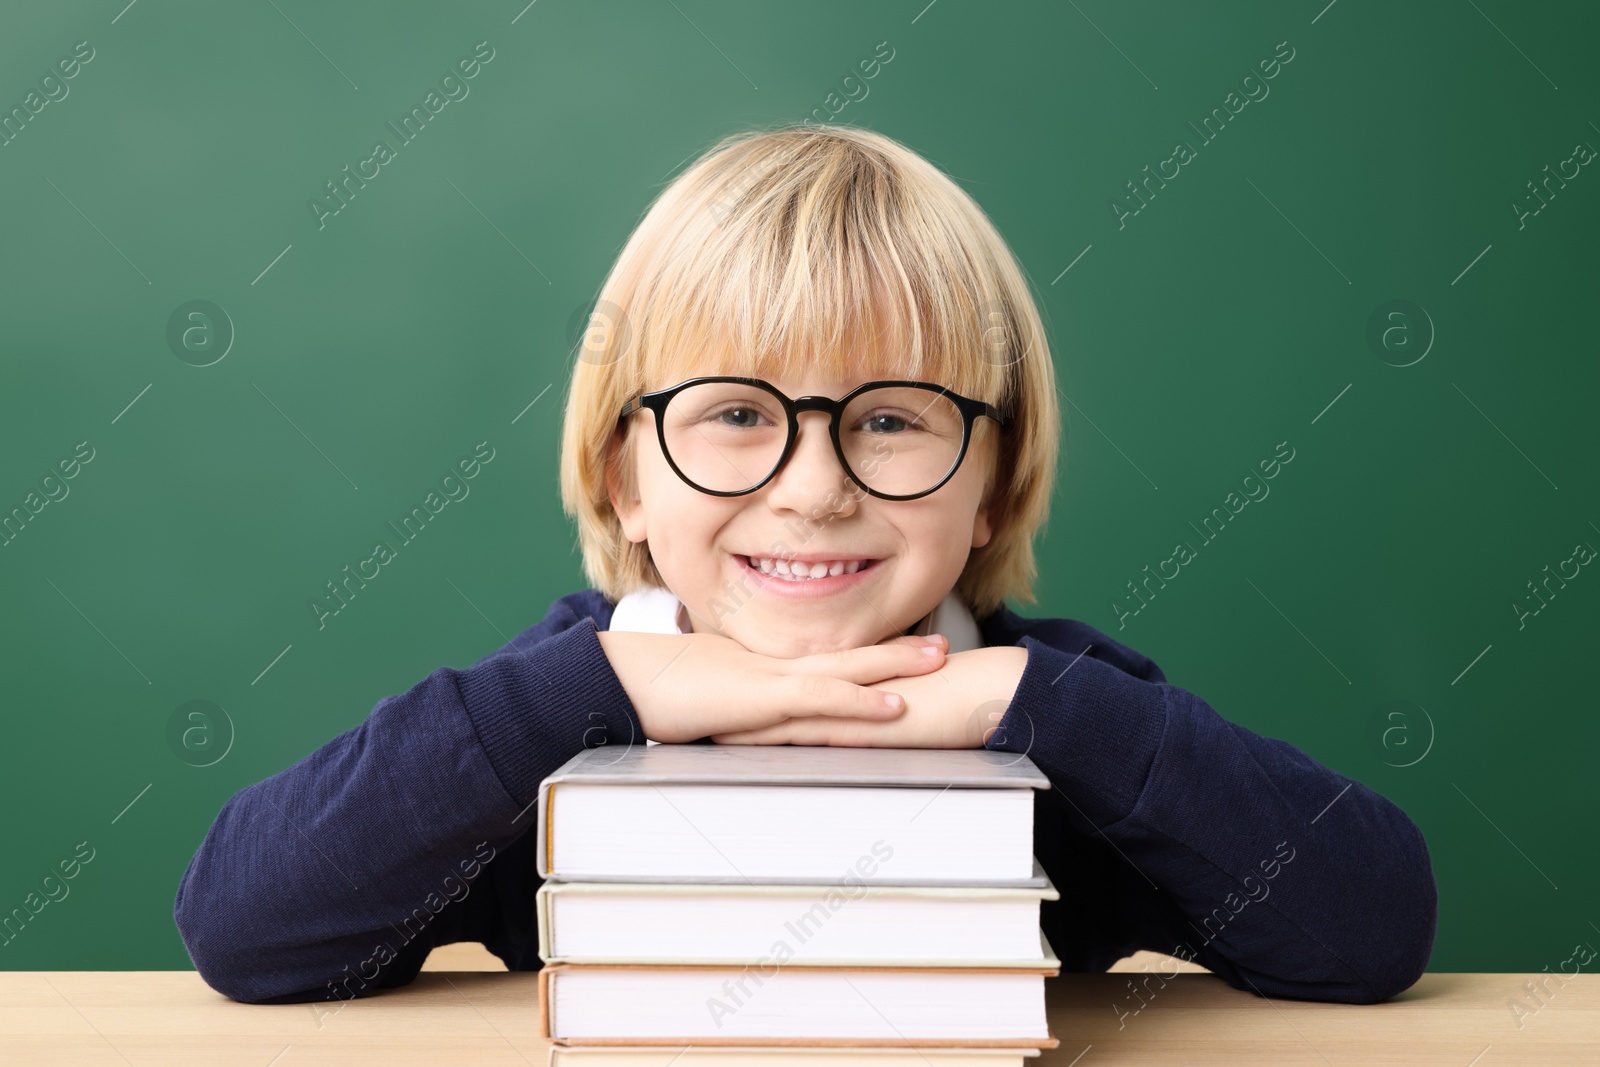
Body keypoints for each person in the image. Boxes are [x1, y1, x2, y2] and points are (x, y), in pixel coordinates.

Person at [174, 123, 1436, 1008]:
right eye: (734, 413)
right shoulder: (556, 707)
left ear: (990, 477)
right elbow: (245, 926)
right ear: (625, 470)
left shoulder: (1062, 708)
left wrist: (1024, 704)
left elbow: (1369, 927)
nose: (815, 486)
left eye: (890, 419)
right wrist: (585, 695)